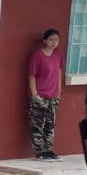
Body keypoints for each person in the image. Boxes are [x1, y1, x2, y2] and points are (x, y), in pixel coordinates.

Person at [28, 29, 64, 161]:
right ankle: (40, 151)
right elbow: (32, 75)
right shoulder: (37, 55)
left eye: (56, 40)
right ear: (44, 41)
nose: (54, 42)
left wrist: (59, 92)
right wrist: (35, 94)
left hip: (53, 96)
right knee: (37, 124)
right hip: (40, 95)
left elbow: (59, 72)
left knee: (50, 124)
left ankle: (48, 149)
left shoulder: (58, 55)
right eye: (51, 39)